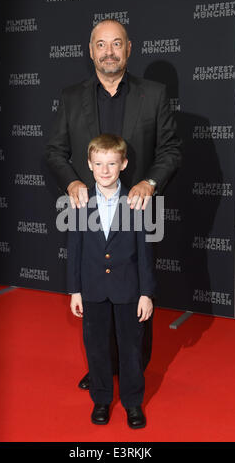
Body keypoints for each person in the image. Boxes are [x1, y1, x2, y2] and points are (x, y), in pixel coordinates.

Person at [46, 19, 181, 390]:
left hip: (139, 207)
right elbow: (55, 151)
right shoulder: (72, 96)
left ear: (129, 49)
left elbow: (170, 149)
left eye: (116, 44)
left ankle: (134, 369)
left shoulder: (153, 94)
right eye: (101, 45)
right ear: (91, 51)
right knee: (95, 292)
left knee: (135, 291)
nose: (109, 51)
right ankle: (102, 369)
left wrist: (149, 182)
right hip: (91, 210)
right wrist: (73, 181)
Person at [67, 134, 156, 428]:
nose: (105, 171)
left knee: (131, 348)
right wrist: (75, 290)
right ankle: (102, 399)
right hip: (93, 289)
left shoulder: (136, 201)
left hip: (128, 289)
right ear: (90, 166)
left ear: (123, 164)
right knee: (96, 347)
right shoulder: (80, 202)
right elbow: (75, 249)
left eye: (112, 164)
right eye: (99, 164)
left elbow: (145, 251)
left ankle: (133, 403)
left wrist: (146, 293)